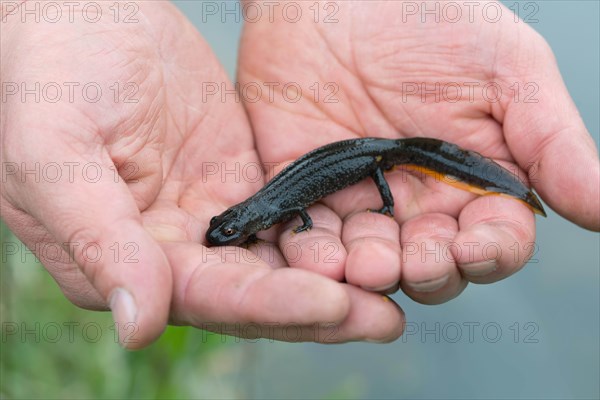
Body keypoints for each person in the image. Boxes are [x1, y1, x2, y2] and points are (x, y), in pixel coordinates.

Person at [1, 1, 598, 348]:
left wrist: (383, 205)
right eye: (228, 231)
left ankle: (499, 184)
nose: (226, 233)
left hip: (372, 154)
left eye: (230, 232)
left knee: (393, 169)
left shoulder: (272, 209)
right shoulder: (264, 209)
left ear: (252, 224)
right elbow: (293, 207)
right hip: (354, 151)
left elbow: (300, 206)